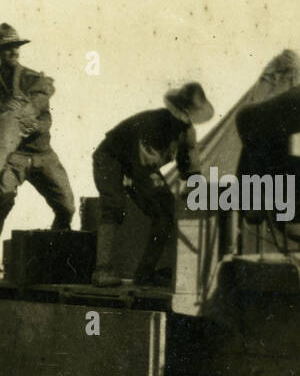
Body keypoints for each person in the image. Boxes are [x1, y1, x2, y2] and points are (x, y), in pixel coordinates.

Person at [0, 23, 74, 281]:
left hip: (42, 153)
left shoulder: (34, 80)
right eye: (5, 49)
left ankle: (54, 258)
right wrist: (0, 113)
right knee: (3, 200)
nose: (11, 52)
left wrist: (33, 124)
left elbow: (46, 118)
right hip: (13, 157)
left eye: (14, 47)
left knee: (67, 207)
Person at [90, 82, 213, 287]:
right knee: (113, 206)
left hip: (140, 166)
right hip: (111, 158)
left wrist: (194, 182)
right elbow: (143, 168)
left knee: (166, 212)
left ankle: (145, 273)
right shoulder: (152, 123)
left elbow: (190, 160)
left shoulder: (186, 131)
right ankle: (102, 271)